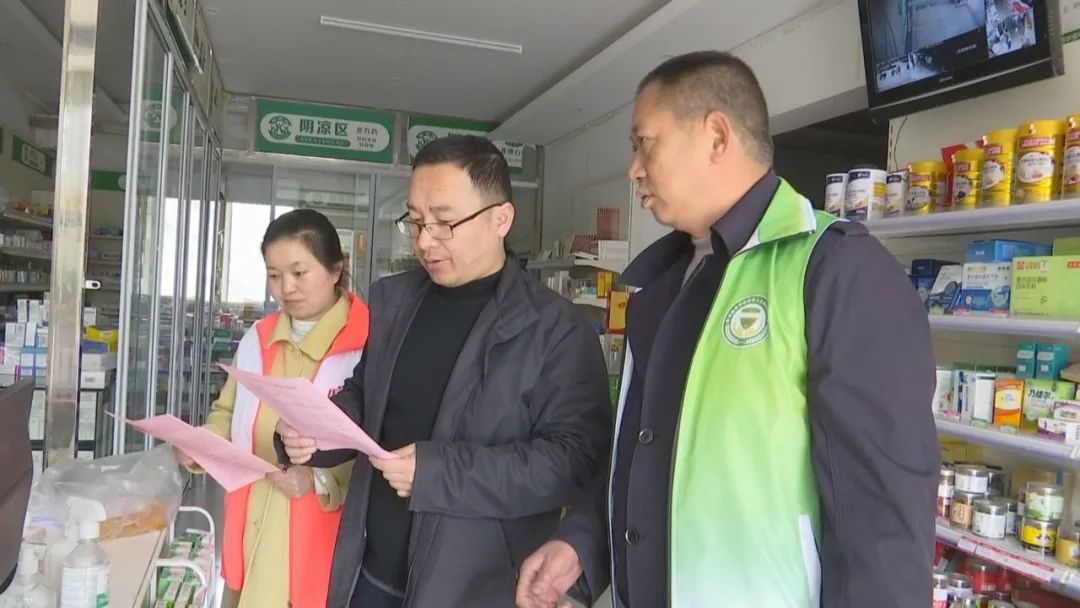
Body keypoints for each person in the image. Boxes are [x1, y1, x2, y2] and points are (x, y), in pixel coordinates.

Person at [517, 51, 938, 608]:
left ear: (717, 136)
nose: (634, 169)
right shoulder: (659, 285)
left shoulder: (836, 270)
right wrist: (581, 543)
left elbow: (883, 522)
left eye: (646, 144)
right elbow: (643, 454)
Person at [278, 135, 613, 608]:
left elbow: (571, 461)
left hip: (473, 587)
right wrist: (316, 433)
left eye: (445, 222)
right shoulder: (395, 302)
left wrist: (438, 474)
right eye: (416, 221)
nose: (424, 240)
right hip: (368, 572)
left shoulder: (555, 329)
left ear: (501, 219)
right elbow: (367, 398)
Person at [174, 209, 369, 608]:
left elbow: (379, 447)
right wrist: (202, 444)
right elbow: (227, 412)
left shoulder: (365, 345)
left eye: (299, 272)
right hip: (252, 528)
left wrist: (319, 480)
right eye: (275, 275)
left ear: (336, 269)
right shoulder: (258, 339)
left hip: (320, 546)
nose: (287, 288)